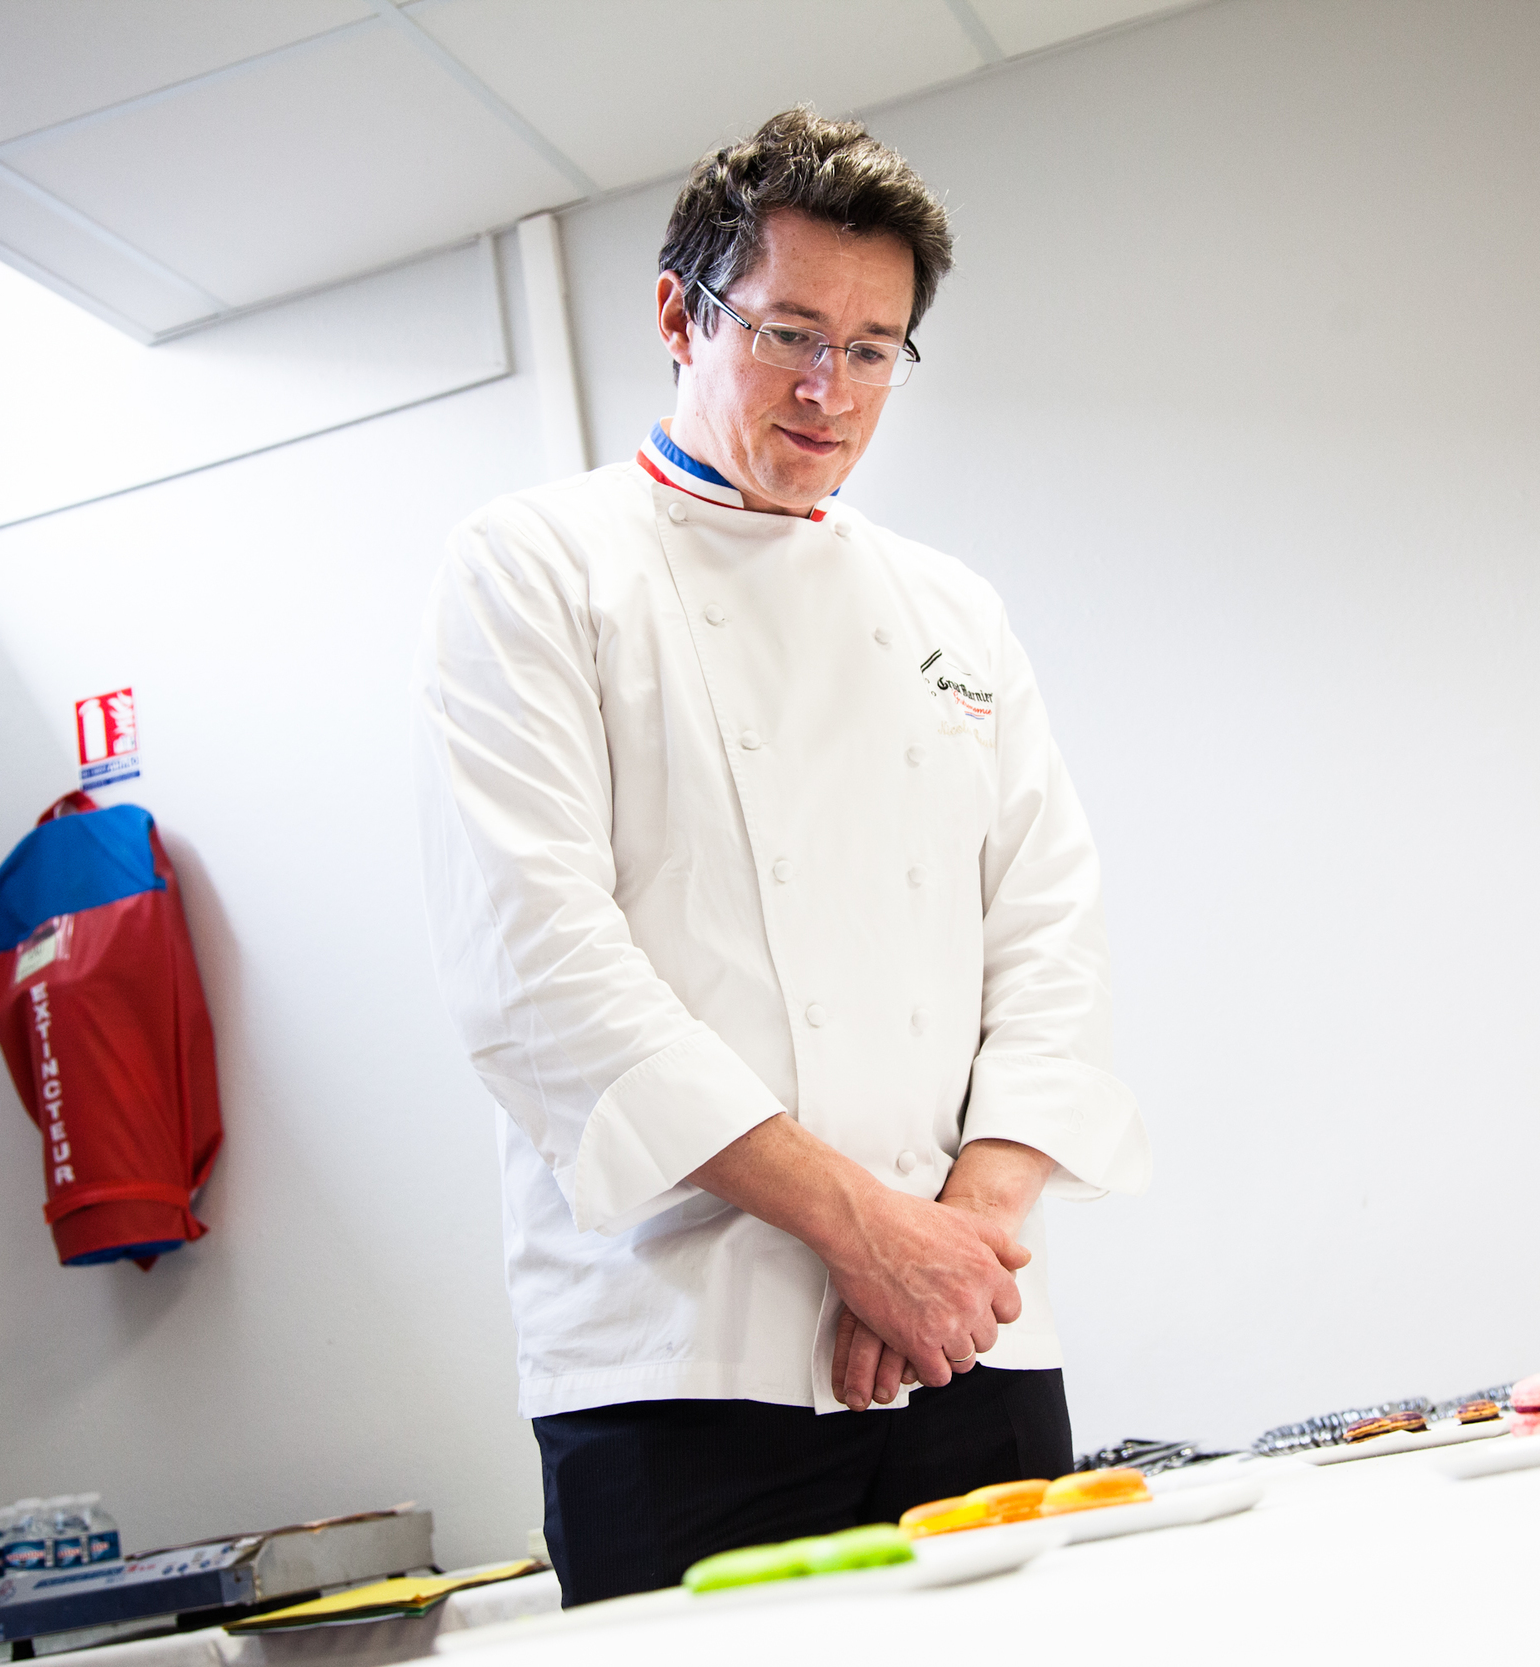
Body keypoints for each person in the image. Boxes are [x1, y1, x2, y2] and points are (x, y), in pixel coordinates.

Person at [415, 108, 1149, 1605]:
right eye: (791, 333)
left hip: (970, 1338)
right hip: (683, 1365)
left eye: (876, 348)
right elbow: (538, 969)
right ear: (680, 313)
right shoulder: (537, 567)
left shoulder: (955, 610)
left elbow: (1050, 941)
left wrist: (957, 1244)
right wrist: (860, 1233)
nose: (832, 393)